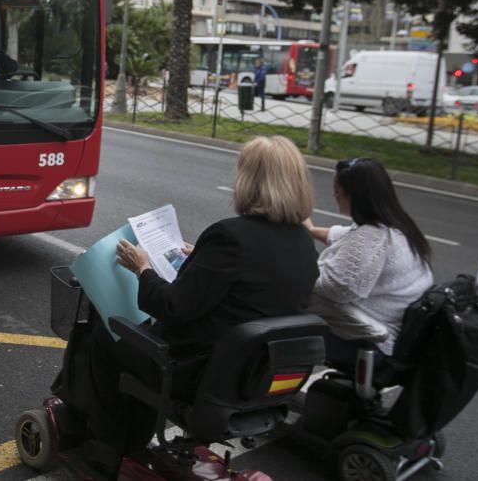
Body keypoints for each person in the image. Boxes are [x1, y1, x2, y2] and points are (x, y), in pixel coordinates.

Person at [55, 135, 319, 476]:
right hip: (260, 373)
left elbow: (173, 307)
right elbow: (252, 289)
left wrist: (143, 268)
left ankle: (105, 449)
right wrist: (201, 260)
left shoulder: (230, 237)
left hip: (200, 373)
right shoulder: (302, 242)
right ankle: (128, 438)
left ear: (248, 182)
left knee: (107, 339)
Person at [305, 157, 433, 367]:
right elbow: (345, 236)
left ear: (354, 196)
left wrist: (292, 270)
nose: (334, 195)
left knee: (278, 330)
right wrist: (310, 230)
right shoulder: (397, 226)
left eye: (337, 191)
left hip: (372, 346)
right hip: (398, 339)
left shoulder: (371, 237)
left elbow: (335, 288)